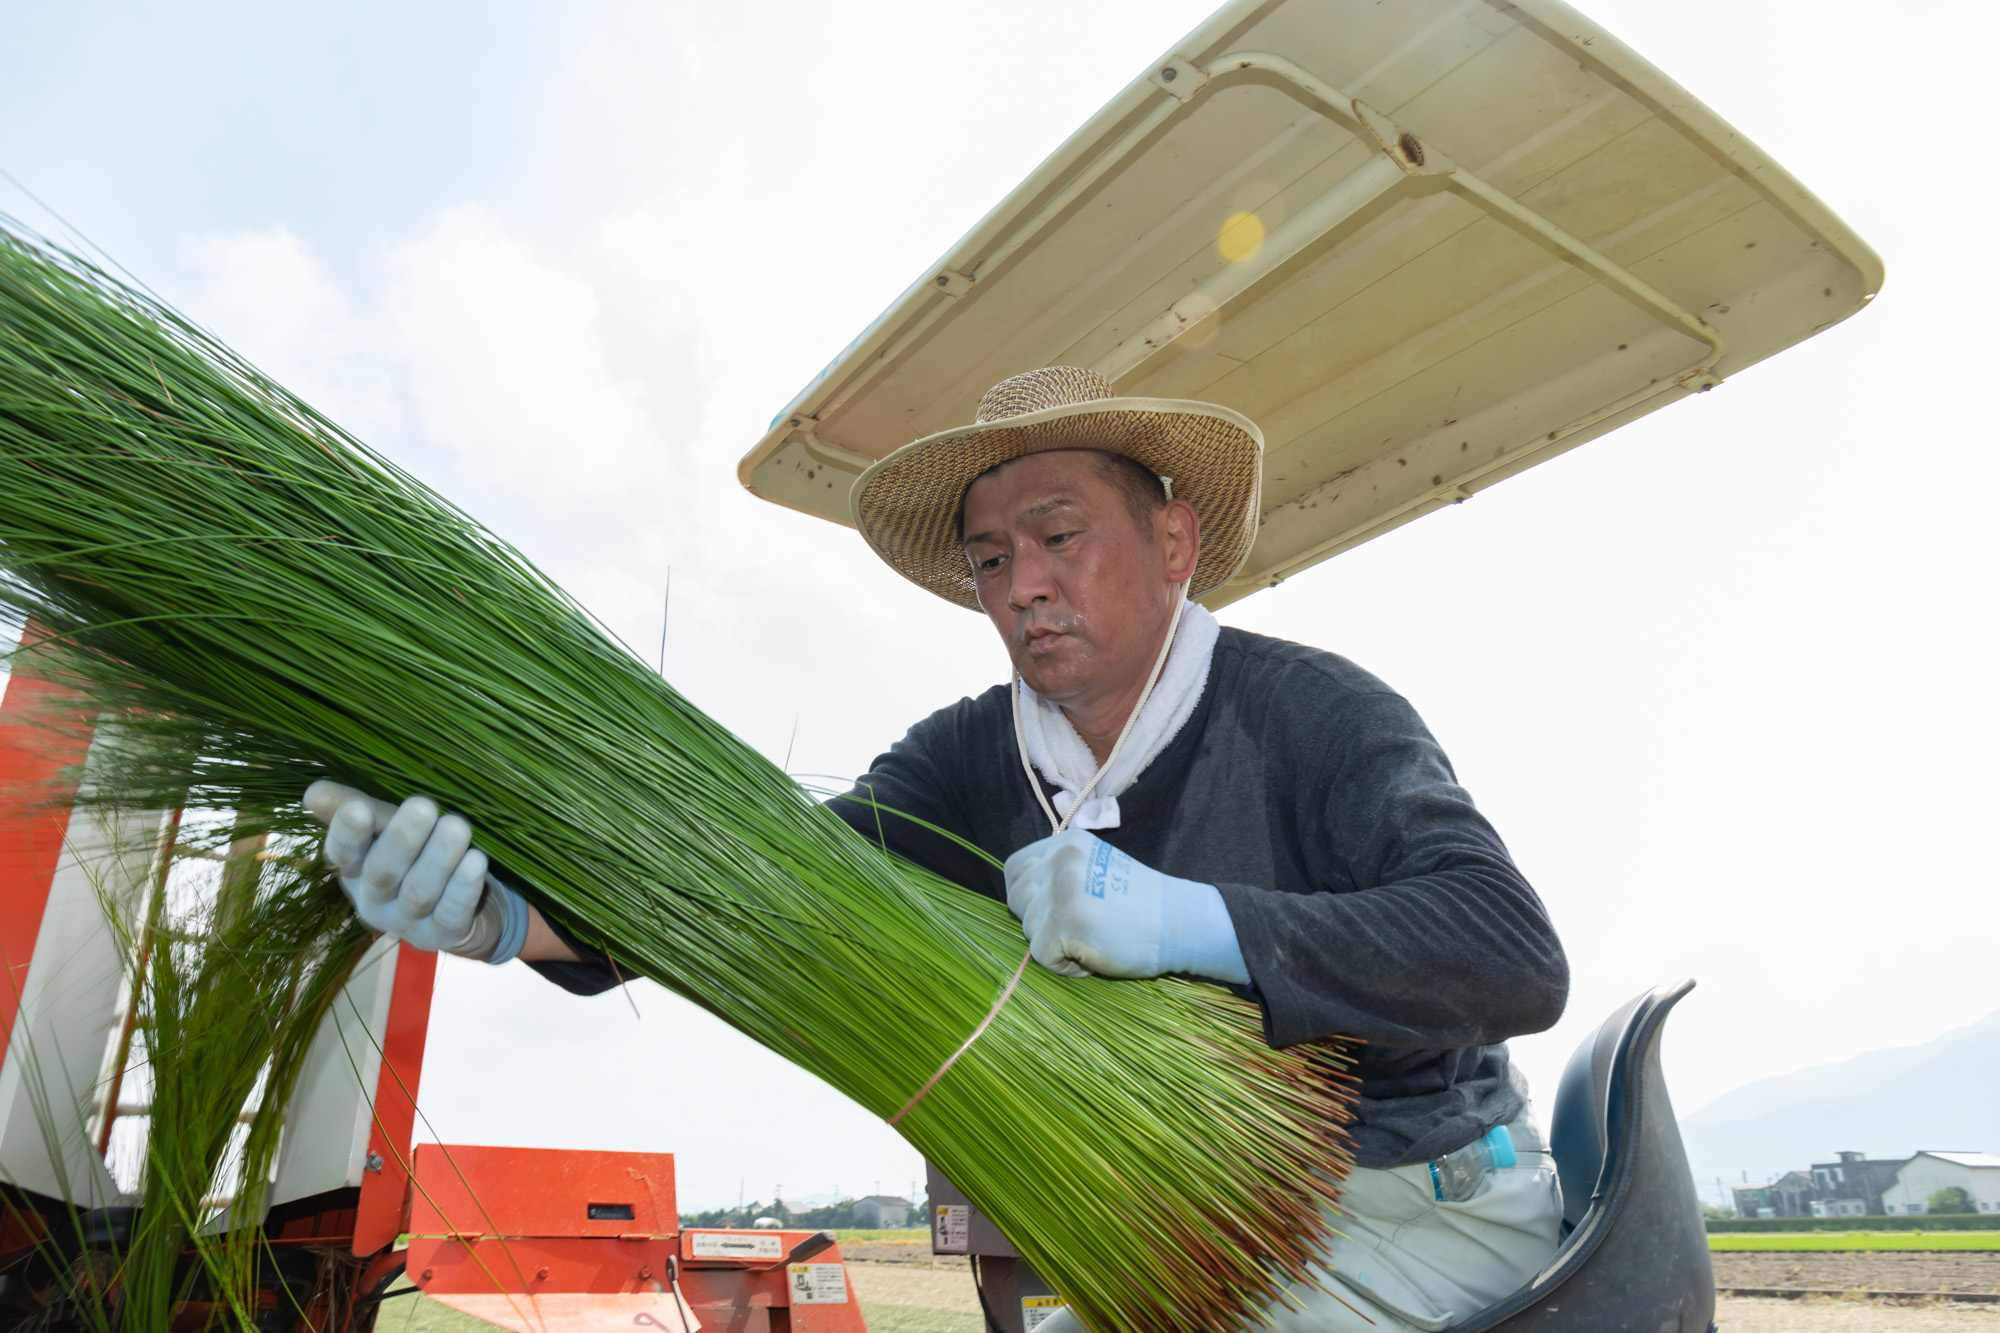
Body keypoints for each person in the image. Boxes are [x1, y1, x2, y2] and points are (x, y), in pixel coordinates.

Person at [306, 366, 1570, 1331]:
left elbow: (1509, 953)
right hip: (1193, 1226)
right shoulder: (967, 762)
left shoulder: (1311, 712)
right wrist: (511, 920)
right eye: (989, 558)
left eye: (1059, 535)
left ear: (1172, 545)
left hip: (1417, 1197)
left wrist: (1202, 923)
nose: (1021, 583)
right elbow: (761, 891)